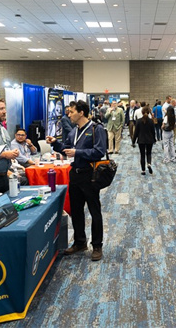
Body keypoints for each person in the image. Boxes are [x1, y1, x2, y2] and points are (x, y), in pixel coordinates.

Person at [46, 100, 107, 261]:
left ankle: (97, 245)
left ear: (81, 112)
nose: (69, 114)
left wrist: (77, 152)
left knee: (94, 211)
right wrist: (55, 143)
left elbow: (99, 151)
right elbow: (65, 149)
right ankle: (80, 242)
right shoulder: (74, 131)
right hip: (75, 174)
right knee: (76, 210)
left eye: (71, 111)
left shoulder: (96, 129)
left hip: (90, 175)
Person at [134, 106, 156, 175]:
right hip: (149, 139)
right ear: (149, 112)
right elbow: (153, 131)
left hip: (141, 140)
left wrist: (133, 141)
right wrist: (154, 139)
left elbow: (136, 132)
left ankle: (143, 170)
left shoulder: (138, 121)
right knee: (149, 153)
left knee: (142, 155)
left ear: (142, 112)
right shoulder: (151, 121)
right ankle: (149, 163)